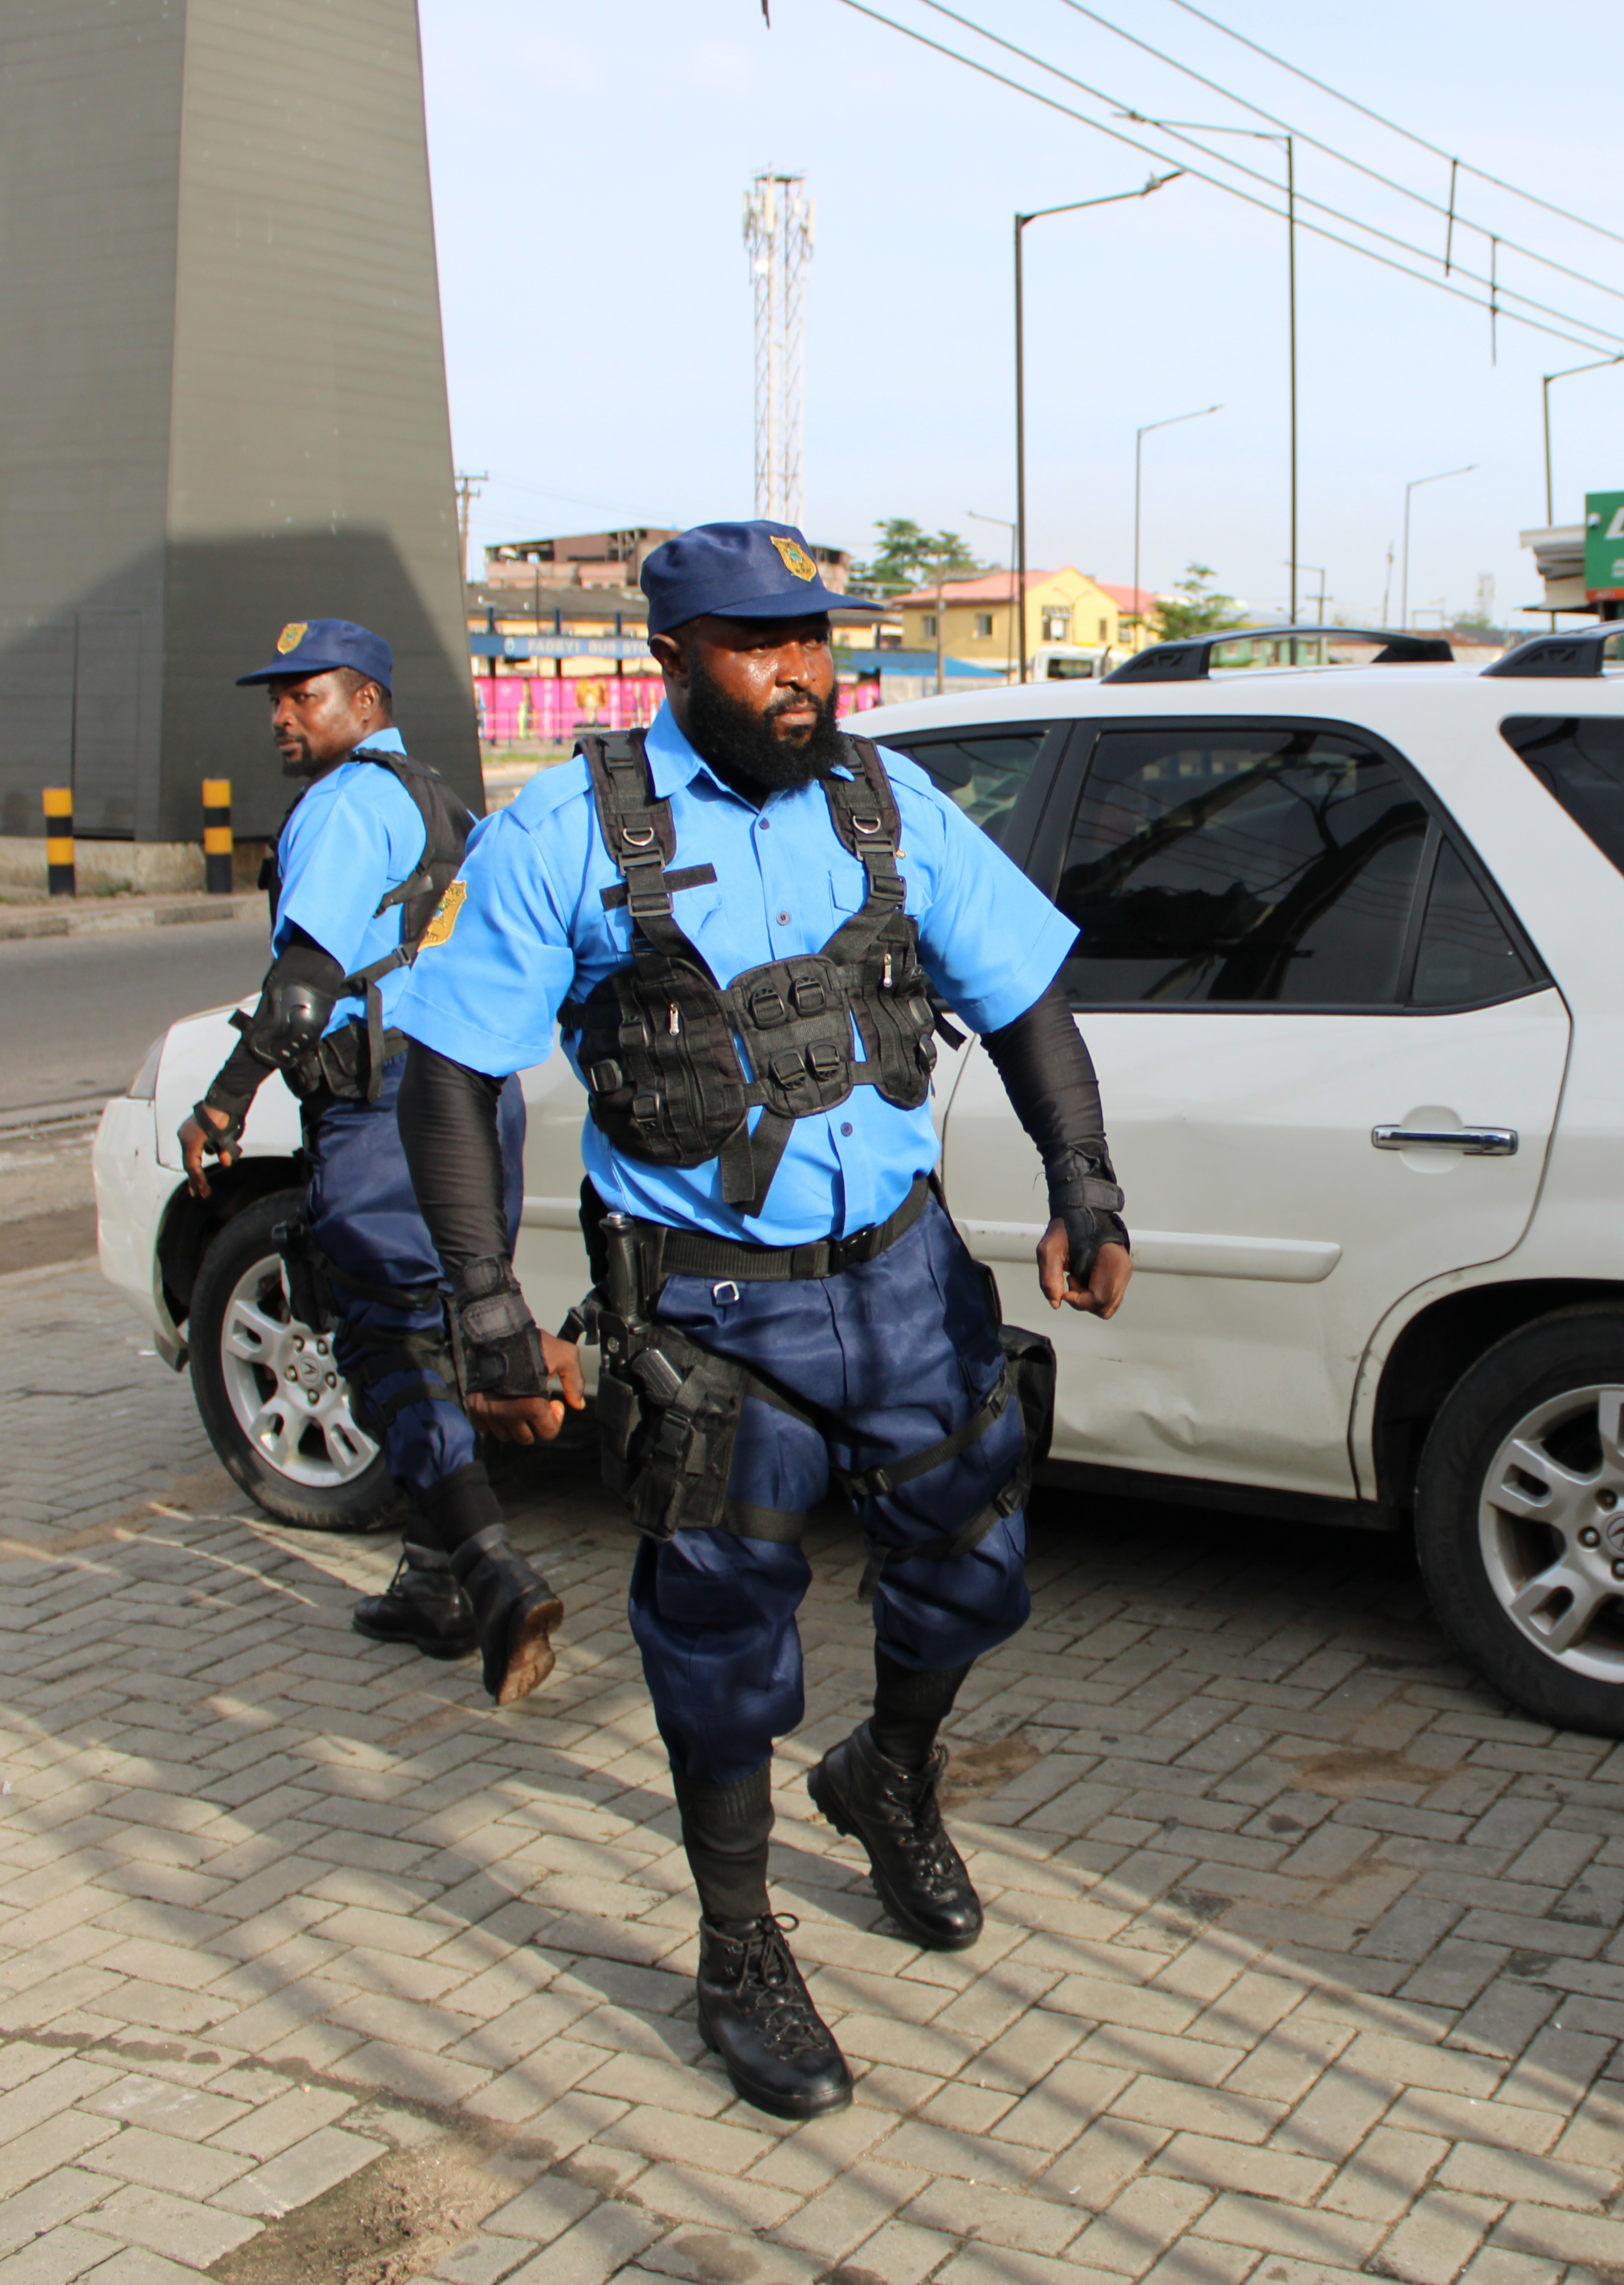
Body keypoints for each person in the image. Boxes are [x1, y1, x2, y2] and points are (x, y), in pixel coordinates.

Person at [383, 520, 1132, 2121]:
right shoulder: (564, 835)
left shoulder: (889, 804)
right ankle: (737, 1947)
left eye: (813, 638)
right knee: (724, 1636)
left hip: (907, 1279)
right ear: (671, 657)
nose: (800, 670)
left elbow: (1023, 997)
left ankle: (888, 1775)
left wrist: (1084, 1178)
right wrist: (485, 1307)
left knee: (976, 1568)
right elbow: (445, 1075)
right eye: (757, 643)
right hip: (712, 1310)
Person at [178, 618, 565, 1706]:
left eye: (305, 695)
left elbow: (304, 992)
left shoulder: (346, 804)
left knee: (384, 1340)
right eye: (277, 698)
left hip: (384, 1106)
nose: (282, 716)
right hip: (473, 1097)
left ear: (368, 702)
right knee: (447, 1328)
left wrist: (223, 1100)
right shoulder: (447, 802)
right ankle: (435, 1583)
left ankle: (492, 1574)